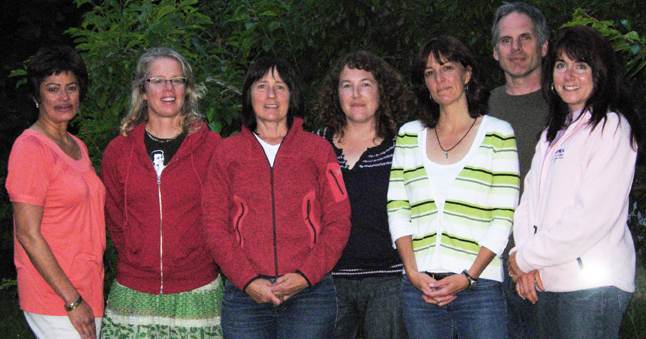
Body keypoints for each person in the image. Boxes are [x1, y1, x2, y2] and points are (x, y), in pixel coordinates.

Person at [201, 55, 351, 339]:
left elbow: (339, 222)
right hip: (245, 297)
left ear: (292, 95)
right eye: (261, 85)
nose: (271, 95)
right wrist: (248, 281)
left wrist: (305, 275)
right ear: (248, 95)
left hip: (310, 295)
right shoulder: (226, 153)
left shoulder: (320, 151)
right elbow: (213, 226)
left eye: (280, 86)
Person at [508, 25, 643, 339]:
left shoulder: (611, 127)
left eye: (581, 65)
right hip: (546, 282)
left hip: (590, 289)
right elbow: (529, 205)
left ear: (600, 73)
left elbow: (589, 216)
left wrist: (525, 258)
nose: (569, 75)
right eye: (560, 65)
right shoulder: (551, 134)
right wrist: (525, 263)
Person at [388, 36, 520, 339]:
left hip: (480, 288)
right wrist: (412, 273)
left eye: (447, 68)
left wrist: (468, 277)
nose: (439, 79)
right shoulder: (409, 135)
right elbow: (397, 209)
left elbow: (503, 217)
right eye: (429, 73)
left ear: (467, 74)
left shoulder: (498, 134)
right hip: (420, 289)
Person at [99, 47, 223, 338]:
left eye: (177, 80)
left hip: (197, 289)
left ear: (187, 89)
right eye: (158, 80)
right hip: (134, 290)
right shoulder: (118, 152)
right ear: (143, 91)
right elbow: (115, 216)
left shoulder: (212, 148)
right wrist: (137, 253)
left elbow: (223, 215)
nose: (168, 88)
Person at [6, 46, 105, 339]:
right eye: (53, 89)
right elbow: (27, 233)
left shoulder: (77, 145)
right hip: (56, 296)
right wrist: (72, 300)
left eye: (71, 88)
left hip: (88, 287)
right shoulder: (30, 149)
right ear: (37, 96)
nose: (64, 98)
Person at [313, 50, 411, 339]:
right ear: (336, 93)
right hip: (328, 282)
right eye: (347, 85)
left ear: (382, 91)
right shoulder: (316, 144)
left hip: (388, 281)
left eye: (365, 84)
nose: (356, 94)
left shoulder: (403, 146)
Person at [488, 2, 549, 337]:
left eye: (525, 38)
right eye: (506, 40)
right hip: (485, 267)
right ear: (495, 52)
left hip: (545, 264)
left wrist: (533, 257)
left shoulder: (565, 104)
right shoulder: (478, 108)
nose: (516, 48)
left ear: (543, 45)